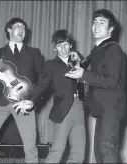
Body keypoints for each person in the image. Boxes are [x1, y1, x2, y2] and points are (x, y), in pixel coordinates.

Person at [0, 17, 44, 163]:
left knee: (30, 144)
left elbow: (43, 79)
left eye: (24, 29)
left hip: (24, 102)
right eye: (18, 26)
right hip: (0, 101)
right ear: (9, 29)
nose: (21, 30)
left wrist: (32, 100)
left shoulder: (34, 53)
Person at [14, 29, 86, 163]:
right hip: (63, 111)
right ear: (55, 48)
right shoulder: (51, 65)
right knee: (57, 151)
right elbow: (42, 85)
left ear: (70, 44)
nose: (63, 49)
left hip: (80, 109)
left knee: (78, 155)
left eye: (65, 44)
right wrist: (30, 100)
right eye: (59, 46)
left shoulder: (80, 61)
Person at [65, 9, 126, 163]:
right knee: (100, 153)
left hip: (110, 108)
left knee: (106, 150)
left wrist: (83, 74)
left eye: (102, 23)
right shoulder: (98, 50)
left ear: (111, 28)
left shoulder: (113, 48)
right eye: (95, 22)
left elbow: (111, 81)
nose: (96, 26)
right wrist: (80, 66)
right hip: (103, 109)